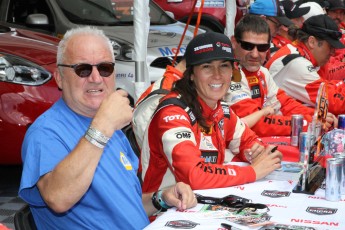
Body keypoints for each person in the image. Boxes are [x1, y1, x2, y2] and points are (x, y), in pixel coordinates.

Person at [18, 26, 197, 229]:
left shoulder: (111, 128)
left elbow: (122, 207)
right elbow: (58, 198)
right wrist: (103, 126)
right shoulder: (46, 132)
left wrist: (160, 198)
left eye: (104, 68)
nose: (95, 78)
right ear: (59, 77)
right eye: (83, 69)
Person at [140, 31, 283, 193]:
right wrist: (253, 171)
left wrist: (257, 152)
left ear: (232, 72)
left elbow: (249, 142)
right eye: (207, 67)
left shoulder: (220, 109)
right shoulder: (172, 113)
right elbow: (193, 176)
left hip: (206, 202)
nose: (217, 76)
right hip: (165, 212)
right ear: (192, 74)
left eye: (224, 66)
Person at [226, 14, 335, 137]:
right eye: (248, 46)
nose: (255, 54)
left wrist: (317, 116)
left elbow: (285, 104)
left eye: (262, 47)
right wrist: (306, 123)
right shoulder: (227, 73)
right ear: (234, 42)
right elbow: (257, 124)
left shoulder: (262, 72)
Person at [265, 14, 345, 116]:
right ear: (312, 42)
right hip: (274, 124)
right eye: (330, 47)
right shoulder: (297, 63)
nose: (333, 53)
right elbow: (333, 102)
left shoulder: (303, 54)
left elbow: (328, 82)